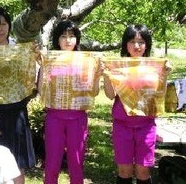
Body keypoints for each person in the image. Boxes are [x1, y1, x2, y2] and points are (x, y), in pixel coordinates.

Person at [103, 24, 170, 184]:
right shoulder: (118, 66)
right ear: (126, 44)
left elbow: (160, 95)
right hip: (122, 125)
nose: (137, 46)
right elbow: (111, 95)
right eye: (132, 41)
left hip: (146, 126)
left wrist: (165, 75)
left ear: (147, 44)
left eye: (141, 41)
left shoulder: (154, 67)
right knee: (124, 170)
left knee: (143, 170)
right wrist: (106, 75)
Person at [39, 20, 101, 184]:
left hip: (78, 119)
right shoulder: (50, 60)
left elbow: (94, 92)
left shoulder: (86, 62)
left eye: (72, 36)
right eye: (63, 36)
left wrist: (99, 73)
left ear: (77, 39)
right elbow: (42, 91)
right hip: (54, 117)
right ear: (56, 40)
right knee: (52, 162)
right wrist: (42, 67)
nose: (68, 40)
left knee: (77, 162)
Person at [0, 5, 36, 184]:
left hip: (16, 110)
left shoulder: (20, 51)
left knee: (17, 159)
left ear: (9, 26)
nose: (0, 29)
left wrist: (34, 55)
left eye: (3, 24)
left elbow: (29, 78)